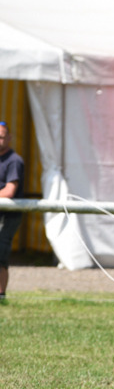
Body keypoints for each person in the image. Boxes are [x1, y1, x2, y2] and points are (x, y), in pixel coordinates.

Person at [0, 121, 24, 300]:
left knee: (0, 253)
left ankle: (0, 294)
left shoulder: (14, 161)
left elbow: (9, 192)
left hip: (8, 216)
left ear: (9, 138)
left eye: (1, 137)